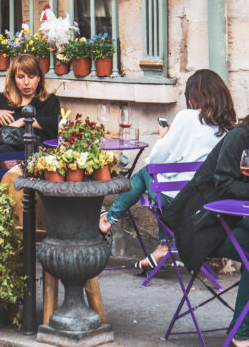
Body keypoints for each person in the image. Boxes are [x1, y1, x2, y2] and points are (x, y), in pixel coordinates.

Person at [98, 69, 236, 271]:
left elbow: (156, 160)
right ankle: (162, 246)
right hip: (207, 203)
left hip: (179, 201)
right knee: (162, 182)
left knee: (147, 172)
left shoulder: (188, 118)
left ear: (195, 96)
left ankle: (108, 219)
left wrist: (164, 136)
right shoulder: (228, 128)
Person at [162, 114, 249, 346]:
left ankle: (242, 329)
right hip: (205, 226)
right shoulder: (239, 137)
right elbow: (224, 183)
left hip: (234, 221)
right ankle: (241, 333)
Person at [0, 53, 60, 155]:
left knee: (2, 151)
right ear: (14, 78)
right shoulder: (4, 100)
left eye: (31, 77)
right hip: (4, 157)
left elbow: (55, 125)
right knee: (2, 151)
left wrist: (25, 121)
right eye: (20, 77)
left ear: (39, 78)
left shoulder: (49, 101)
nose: (26, 82)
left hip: (36, 156)